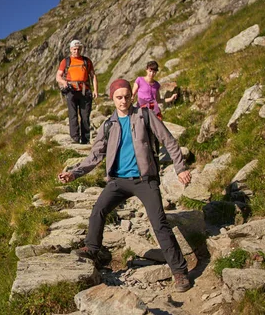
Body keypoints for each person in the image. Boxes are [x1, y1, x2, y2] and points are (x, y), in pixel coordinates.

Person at [58, 78, 192, 292]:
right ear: (112, 98)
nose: (123, 101)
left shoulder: (145, 115)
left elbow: (169, 141)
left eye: (127, 96)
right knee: (98, 210)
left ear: (132, 96)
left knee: (159, 224)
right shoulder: (109, 125)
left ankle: (179, 272)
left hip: (145, 180)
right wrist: (74, 174)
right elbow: (95, 156)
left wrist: (180, 167)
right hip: (118, 181)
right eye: (119, 97)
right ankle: (93, 248)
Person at [56, 40, 98, 144]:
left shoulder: (86, 61)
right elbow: (58, 76)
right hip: (71, 91)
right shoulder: (65, 61)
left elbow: (93, 76)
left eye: (78, 49)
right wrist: (63, 82)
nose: (76, 51)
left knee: (85, 116)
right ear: (70, 49)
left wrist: (96, 90)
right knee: (73, 115)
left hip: (85, 91)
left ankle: (85, 139)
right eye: (74, 49)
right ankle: (74, 138)